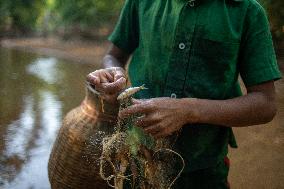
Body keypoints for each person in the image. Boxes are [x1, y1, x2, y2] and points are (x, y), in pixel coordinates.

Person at [87, 0, 281, 188]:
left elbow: (265, 103)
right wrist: (114, 74)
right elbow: (113, 56)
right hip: (135, 156)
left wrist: (189, 110)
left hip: (203, 167)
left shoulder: (247, 11)